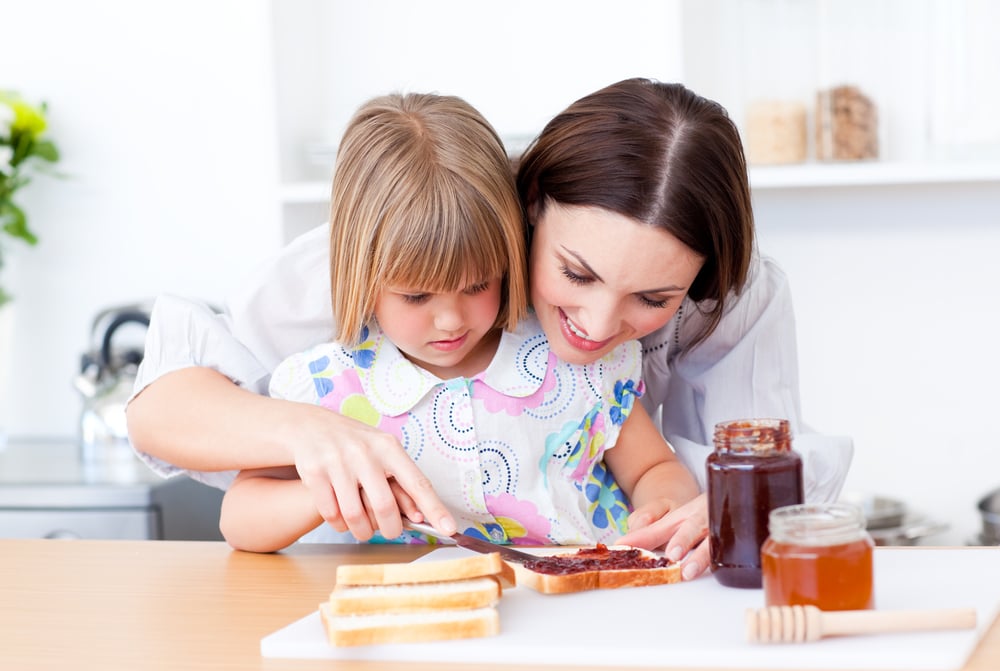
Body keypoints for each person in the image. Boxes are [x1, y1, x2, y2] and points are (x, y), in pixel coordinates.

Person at [127, 78, 852, 579]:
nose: (601, 328)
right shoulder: (403, 242)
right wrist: (307, 440)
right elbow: (168, 407)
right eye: (575, 274)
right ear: (528, 208)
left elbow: (748, 471)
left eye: (653, 298)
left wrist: (700, 508)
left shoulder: (704, 308)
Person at [216, 92, 698, 553]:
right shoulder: (328, 387)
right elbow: (240, 518)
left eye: (476, 286)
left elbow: (652, 467)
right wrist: (325, 493)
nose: (450, 320)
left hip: (582, 598)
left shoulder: (577, 363)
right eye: (416, 295)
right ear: (359, 272)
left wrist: (664, 504)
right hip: (413, 617)